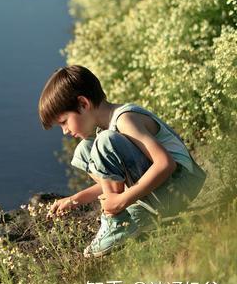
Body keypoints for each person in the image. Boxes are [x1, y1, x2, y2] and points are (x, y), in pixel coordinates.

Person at [38, 65, 207, 257]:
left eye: (64, 122)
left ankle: (116, 222)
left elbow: (165, 164)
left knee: (103, 143)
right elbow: (111, 182)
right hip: (165, 189)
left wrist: (120, 202)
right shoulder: (106, 128)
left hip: (182, 185)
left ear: (83, 104)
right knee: (85, 150)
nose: (65, 131)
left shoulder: (125, 119)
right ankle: (135, 215)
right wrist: (75, 199)